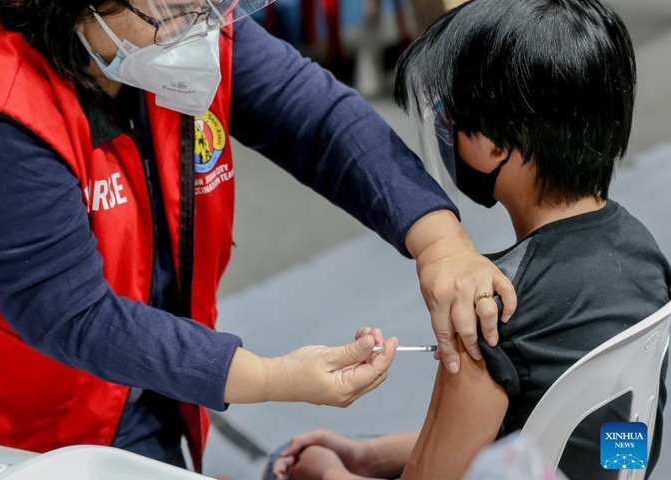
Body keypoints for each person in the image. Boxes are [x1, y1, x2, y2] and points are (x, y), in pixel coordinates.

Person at [0, 0, 516, 470]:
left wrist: (439, 241)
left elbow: (319, 119)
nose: (198, 22)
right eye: (171, 8)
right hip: (12, 424)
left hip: (157, 367)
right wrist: (270, 377)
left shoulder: (177, 28)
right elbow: (75, 317)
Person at [271, 0, 671, 478]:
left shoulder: (488, 304)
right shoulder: (643, 251)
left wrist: (324, 472)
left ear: (499, 145)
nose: (444, 126)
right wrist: (366, 454)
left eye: (448, 112)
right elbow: (557, 432)